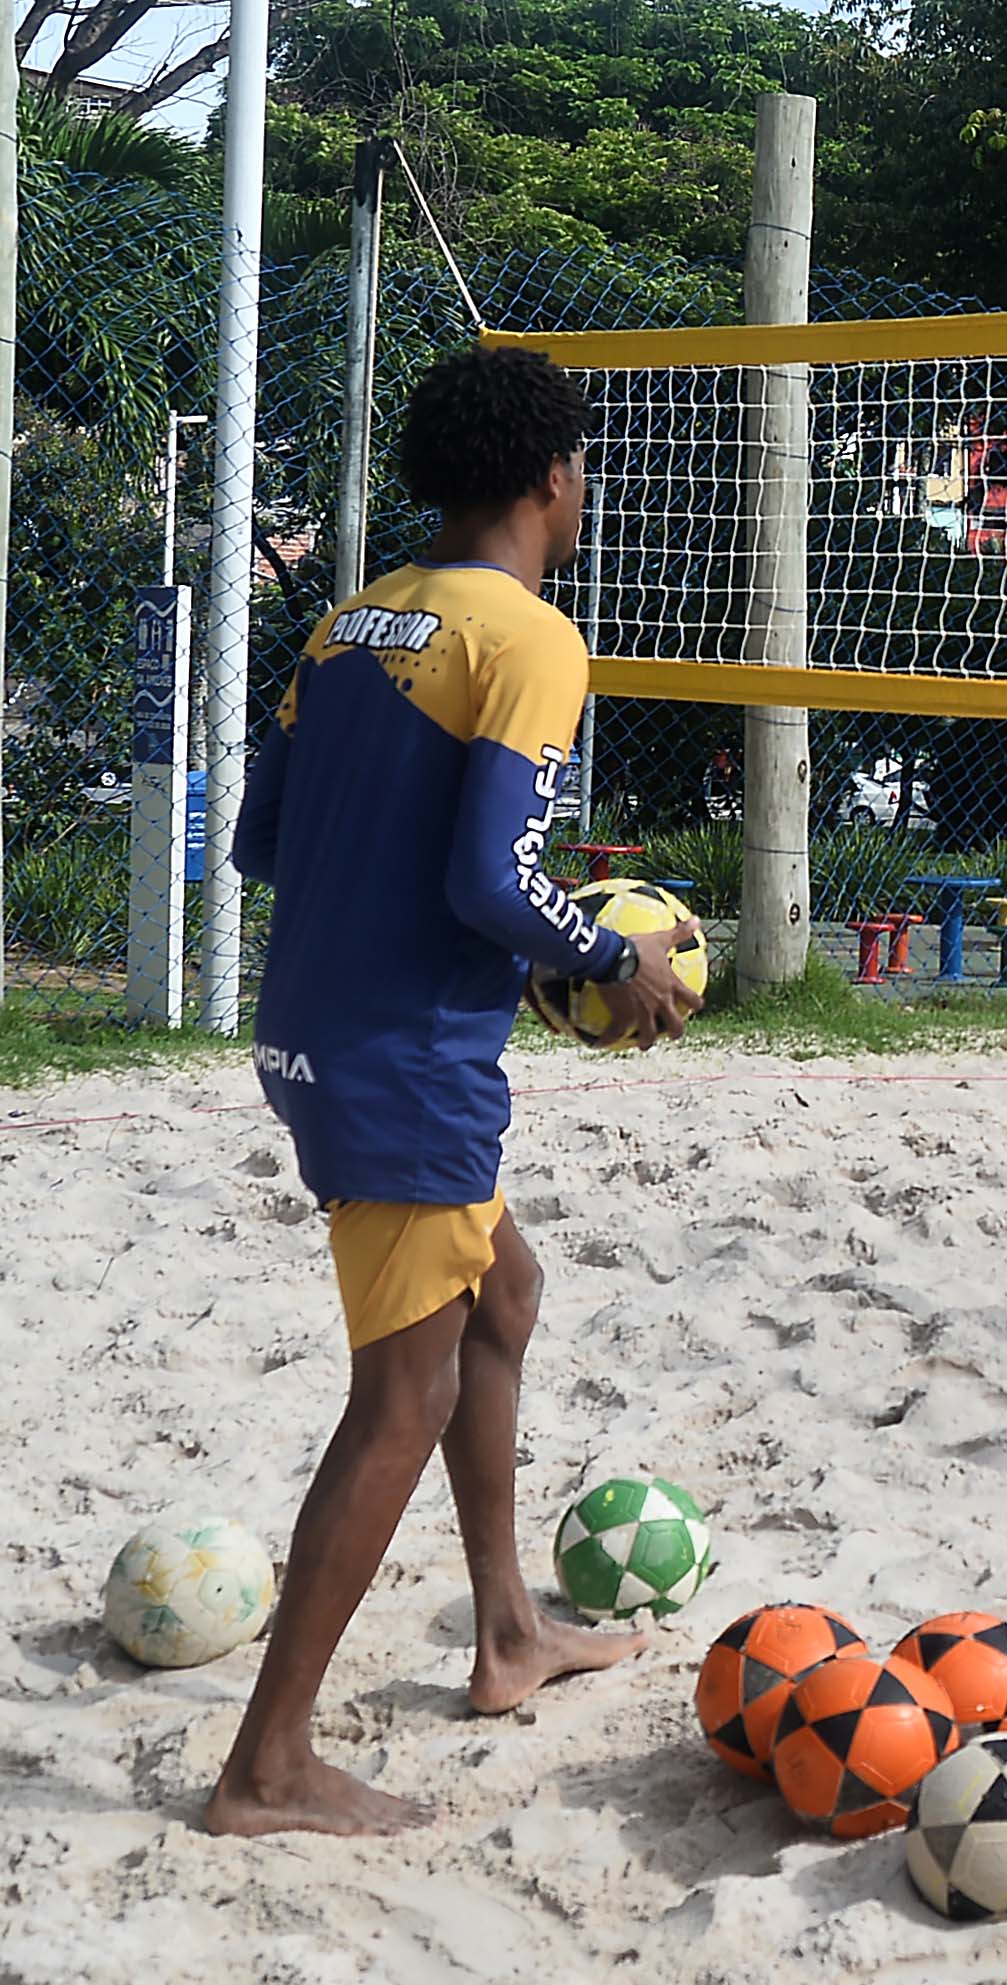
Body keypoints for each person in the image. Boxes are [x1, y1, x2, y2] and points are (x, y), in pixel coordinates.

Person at [206, 346, 702, 1838]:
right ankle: (267, 1767)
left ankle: (507, 1635)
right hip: (404, 1060)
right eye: (585, 467)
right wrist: (601, 949)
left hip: (312, 1024)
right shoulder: (528, 636)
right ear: (554, 477)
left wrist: (447, 916)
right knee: (399, 1398)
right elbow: (491, 878)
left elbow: (264, 846)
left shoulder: (350, 621)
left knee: (504, 1297)